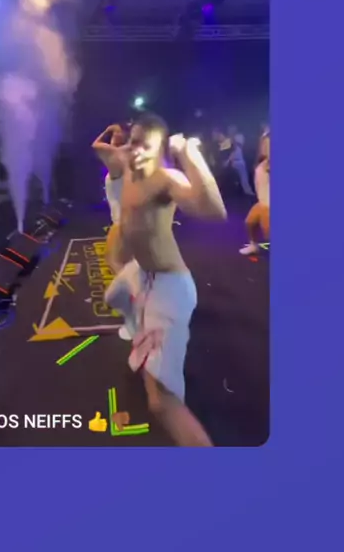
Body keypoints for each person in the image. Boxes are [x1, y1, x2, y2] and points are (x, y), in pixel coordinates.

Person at [104, 112, 227, 447]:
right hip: (142, 274)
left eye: (146, 146)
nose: (136, 151)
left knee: (160, 402)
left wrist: (189, 154)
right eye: (133, 143)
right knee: (113, 295)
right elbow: (102, 150)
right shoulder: (126, 166)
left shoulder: (165, 178)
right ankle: (141, 332)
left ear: (160, 151)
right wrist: (115, 136)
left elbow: (214, 211)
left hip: (170, 285)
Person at [92, 123, 131, 340]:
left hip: (121, 222)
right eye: (113, 133)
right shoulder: (131, 155)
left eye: (117, 133)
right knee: (128, 262)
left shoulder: (115, 156)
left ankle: (136, 306)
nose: (114, 136)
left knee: (113, 259)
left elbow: (95, 145)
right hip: (134, 219)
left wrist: (106, 131)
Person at [239, 147, 270, 255]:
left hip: (268, 203)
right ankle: (254, 245)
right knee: (249, 223)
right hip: (262, 201)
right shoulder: (262, 161)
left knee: (268, 234)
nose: (265, 146)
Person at [225, 125, 254, 196]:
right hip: (232, 161)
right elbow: (227, 149)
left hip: (240, 161)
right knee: (232, 178)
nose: (231, 130)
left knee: (244, 177)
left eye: (232, 129)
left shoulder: (239, 136)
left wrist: (232, 138)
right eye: (230, 129)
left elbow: (238, 146)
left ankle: (248, 192)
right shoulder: (228, 139)